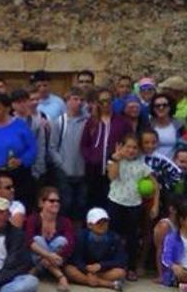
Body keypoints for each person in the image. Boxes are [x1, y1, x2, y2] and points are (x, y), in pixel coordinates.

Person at [107, 133, 157, 281]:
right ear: (121, 147)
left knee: (132, 238)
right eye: (128, 147)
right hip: (115, 201)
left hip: (134, 204)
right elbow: (112, 176)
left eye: (135, 148)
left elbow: (155, 184)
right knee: (113, 235)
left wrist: (155, 204)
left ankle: (131, 267)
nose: (131, 150)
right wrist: (116, 158)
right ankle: (112, 266)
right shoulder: (114, 161)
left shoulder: (142, 166)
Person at [152, 148, 187, 283]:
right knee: (162, 228)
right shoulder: (164, 176)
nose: (184, 165)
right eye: (181, 161)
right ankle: (162, 274)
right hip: (172, 219)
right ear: (174, 160)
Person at [0, 93, 37, 200]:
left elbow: (32, 148)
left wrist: (21, 160)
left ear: (7, 108)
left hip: (19, 177)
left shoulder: (20, 125)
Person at [80, 88, 131, 211]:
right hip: (94, 171)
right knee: (93, 202)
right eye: (102, 101)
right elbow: (84, 144)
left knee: (111, 204)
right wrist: (91, 158)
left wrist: (120, 155)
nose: (105, 104)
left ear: (113, 101)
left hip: (114, 171)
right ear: (97, 103)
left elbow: (129, 143)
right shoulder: (91, 122)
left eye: (108, 101)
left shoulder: (122, 123)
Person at [48, 87, 88, 221]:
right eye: (75, 99)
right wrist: (60, 163)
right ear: (67, 101)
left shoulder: (87, 122)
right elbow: (52, 146)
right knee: (66, 203)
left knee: (81, 204)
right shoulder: (60, 122)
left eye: (81, 100)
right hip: (64, 171)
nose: (79, 102)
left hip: (82, 171)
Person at [24, 187, 75, 292]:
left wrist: (53, 257)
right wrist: (48, 255)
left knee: (61, 241)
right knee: (37, 239)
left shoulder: (65, 221)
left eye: (58, 201)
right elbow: (28, 241)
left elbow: (71, 243)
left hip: (57, 259)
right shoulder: (33, 219)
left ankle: (37, 270)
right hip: (35, 258)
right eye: (51, 201)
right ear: (41, 203)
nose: (56, 203)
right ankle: (61, 277)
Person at [64, 208, 127, 291]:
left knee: (120, 273)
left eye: (105, 222)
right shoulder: (80, 236)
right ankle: (108, 284)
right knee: (69, 269)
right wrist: (86, 269)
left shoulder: (114, 237)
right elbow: (75, 258)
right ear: (90, 225)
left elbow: (121, 259)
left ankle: (90, 280)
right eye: (98, 223)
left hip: (102, 270)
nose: (103, 225)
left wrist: (100, 266)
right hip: (84, 269)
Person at [12, 89, 47, 203]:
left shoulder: (36, 122)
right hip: (12, 169)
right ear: (13, 105)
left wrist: (38, 169)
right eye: (18, 102)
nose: (22, 105)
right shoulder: (8, 121)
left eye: (24, 101)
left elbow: (41, 146)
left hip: (32, 170)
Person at [150, 93, 182, 159]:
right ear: (153, 108)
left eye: (165, 105)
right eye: (157, 106)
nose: (161, 108)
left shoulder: (179, 125)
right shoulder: (148, 125)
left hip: (173, 165)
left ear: (170, 107)